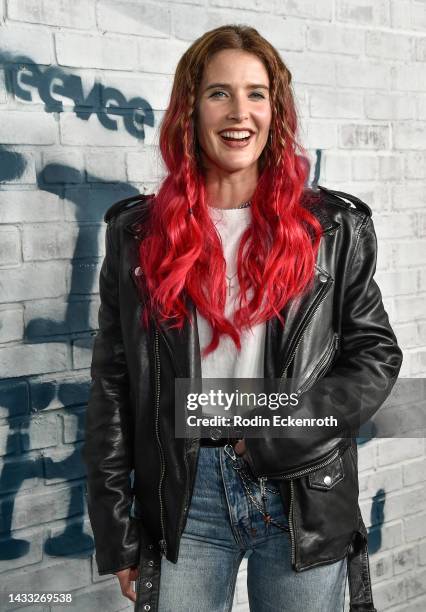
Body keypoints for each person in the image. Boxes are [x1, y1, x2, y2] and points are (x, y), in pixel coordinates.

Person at [81, 24, 402, 612]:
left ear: (275, 111)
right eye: (218, 92)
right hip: (184, 494)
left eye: (257, 93)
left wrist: (281, 434)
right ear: (190, 110)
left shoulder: (331, 229)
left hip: (302, 489)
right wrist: (115, 530)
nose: (240, 111)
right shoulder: (136, 235)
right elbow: (113, 386)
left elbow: (376, 357)